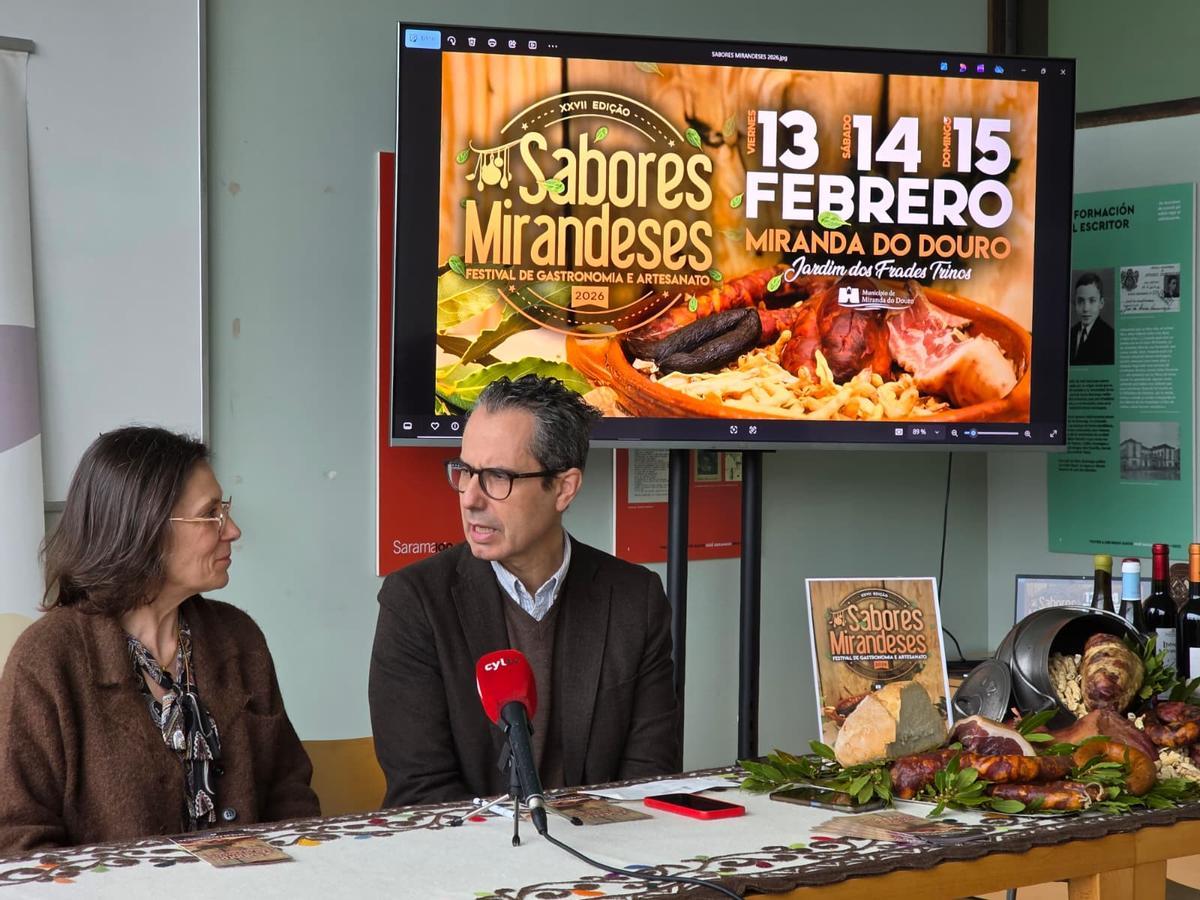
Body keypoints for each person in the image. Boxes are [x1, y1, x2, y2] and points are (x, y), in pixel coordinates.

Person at [0, 427, 319, 853]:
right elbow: (18, 838)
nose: (233, 531)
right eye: (211, 515)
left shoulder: (239, 638)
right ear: (144, 528)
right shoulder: (48, 659)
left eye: (224, 509)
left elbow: (290, 793)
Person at [369, 376, 680, 807]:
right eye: (465, 472)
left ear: (564, 488)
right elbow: (421, 790)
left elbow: (648, 779)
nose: (470, 498)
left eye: (497, 477)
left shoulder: (635, 598)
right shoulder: (415, 600)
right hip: (465, 861)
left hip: (601, 855)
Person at [1069, 272, 1114, 366]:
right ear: (1075, 303)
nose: (1086, 308)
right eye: (1080, 301)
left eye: (1092, 301)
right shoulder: (1070, 333)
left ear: (1101, 303)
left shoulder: (1110, 337)